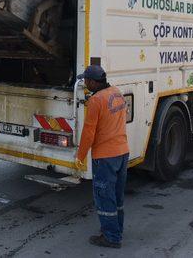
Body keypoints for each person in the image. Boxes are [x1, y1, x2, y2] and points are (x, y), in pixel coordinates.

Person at [75, 65, 129, 248]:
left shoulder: (96, 100)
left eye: (86, 81)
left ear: (92, 81)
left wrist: (80, 156)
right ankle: (116, 230)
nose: (85, 84)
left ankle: (111, 238)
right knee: (116, 196)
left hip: (105, 156)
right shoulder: (116, 92)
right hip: (122, 153)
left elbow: (89, 132)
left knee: (104, 196)